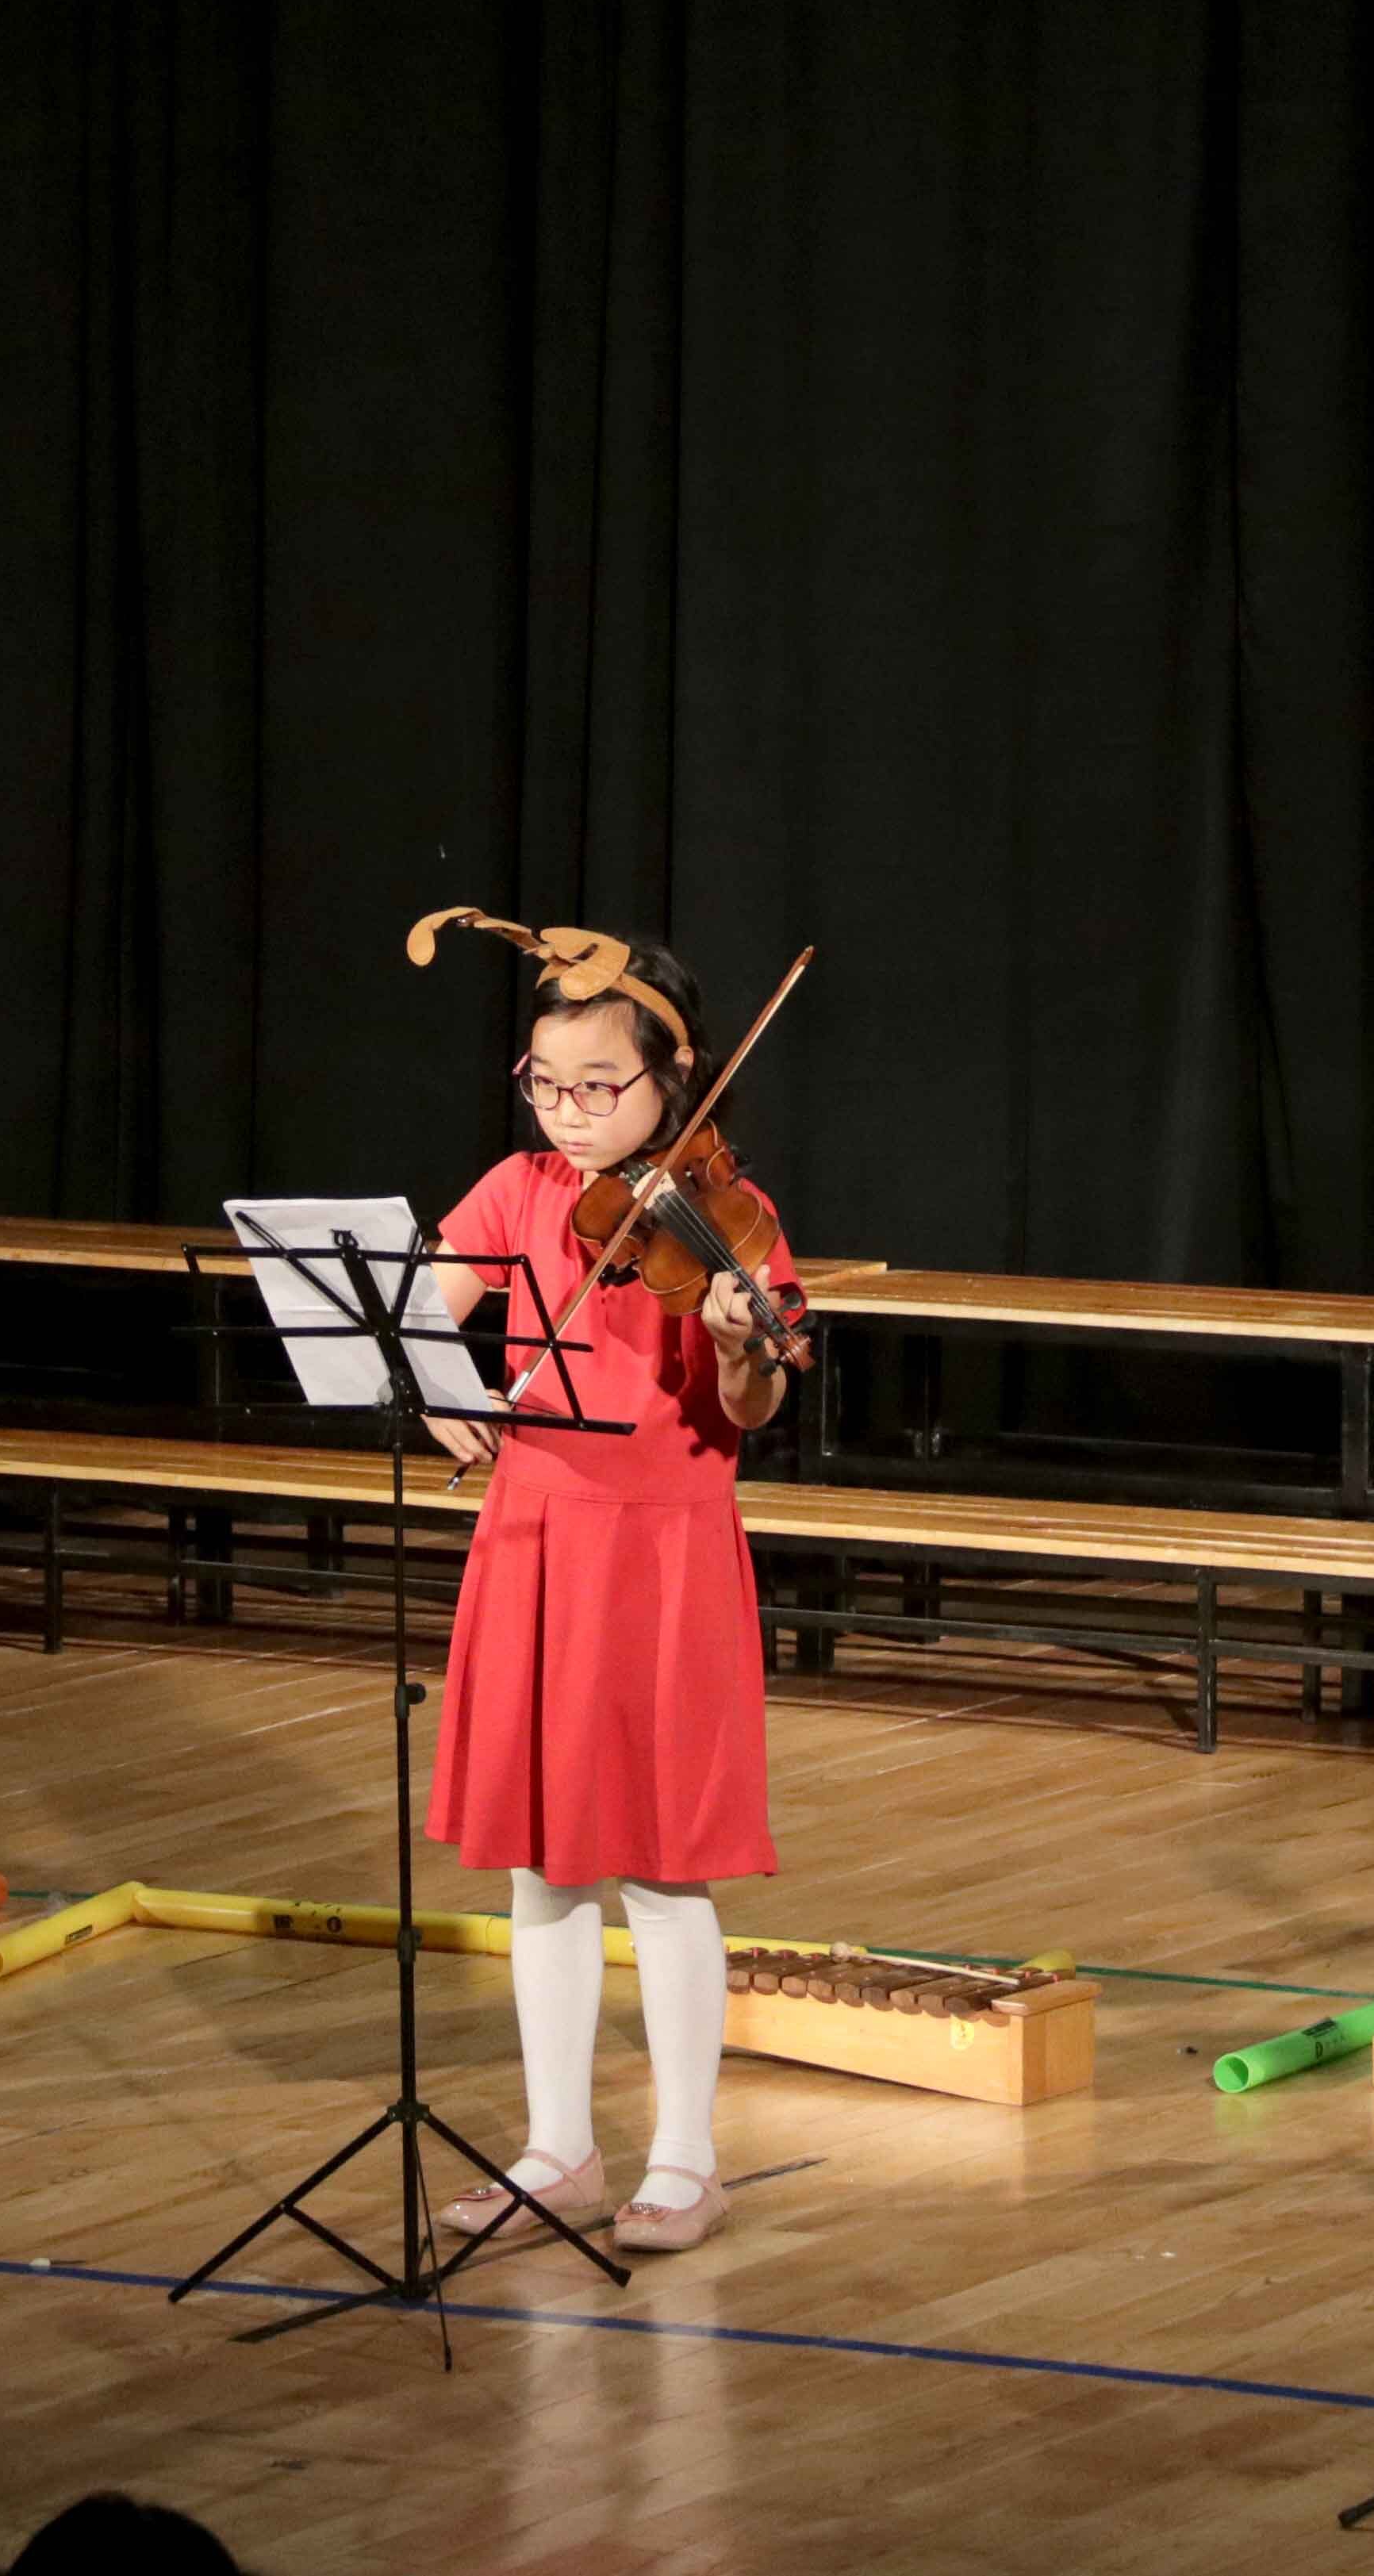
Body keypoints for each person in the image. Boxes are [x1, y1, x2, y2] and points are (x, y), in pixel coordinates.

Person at [414, 926, 797, 2256]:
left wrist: (745, 1343)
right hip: (532, 1537)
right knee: (541, 1862)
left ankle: (688, 2157)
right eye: (546, 1082)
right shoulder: (521, 1189)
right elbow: (421, 1307)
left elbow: (750, 1399)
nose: (569, 1114)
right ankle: (557, 2148)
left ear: (673, 1080)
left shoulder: (727, 1218)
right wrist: (443, 1389)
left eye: (599, 1088)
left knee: (661, 1864)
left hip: (662, 1548)